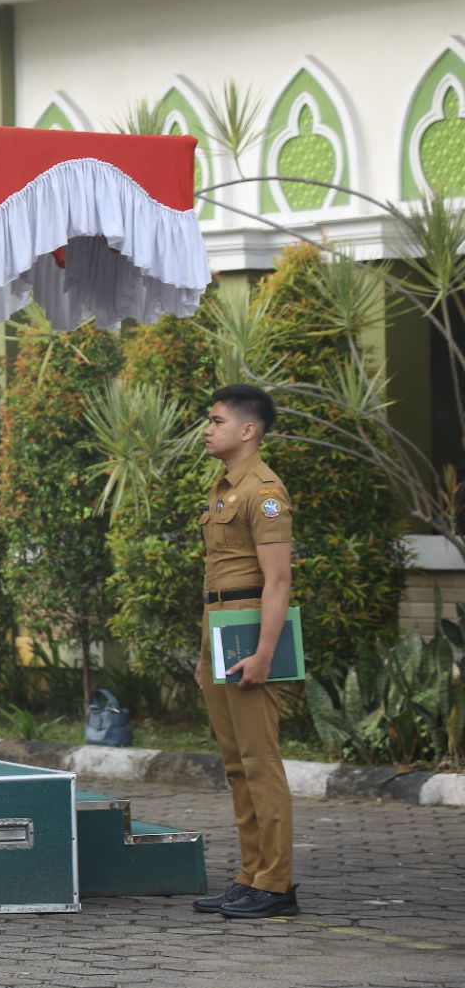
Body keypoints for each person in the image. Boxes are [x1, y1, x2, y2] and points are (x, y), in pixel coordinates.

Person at [192, 385, 298, 920]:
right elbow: (218, 581)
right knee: (236, 763)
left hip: (251, 630)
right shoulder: (222, 489)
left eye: (216, 420)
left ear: (248, 430)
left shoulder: (265, 491)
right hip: (221, 627)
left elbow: (277, 582)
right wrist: (204, 654)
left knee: (261, 761)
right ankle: (250, 874)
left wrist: (263, 653)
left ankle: (276, 884)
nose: (208, 429)